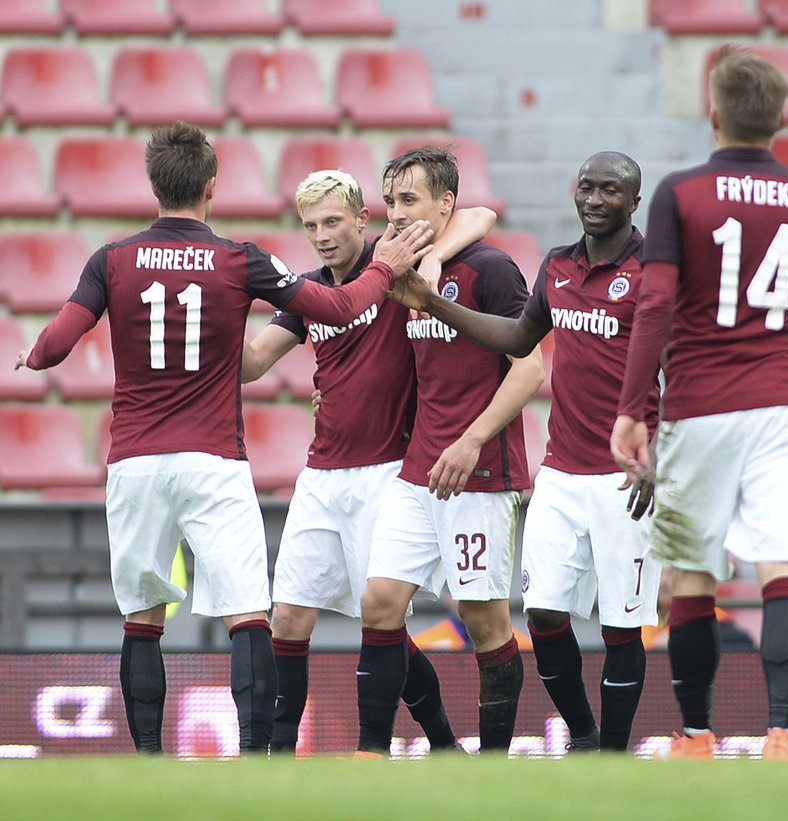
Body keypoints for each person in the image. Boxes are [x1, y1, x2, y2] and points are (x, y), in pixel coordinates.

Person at [14, 121, 433, 754]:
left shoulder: (112, 259)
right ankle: (259, 755)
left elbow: (57, 344)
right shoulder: (240, 258)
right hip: (213, 458)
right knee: (247, 613)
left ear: (154, 185)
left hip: (135, 461)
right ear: (212, 186)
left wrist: (33, 354)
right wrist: (385, 268)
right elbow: (338, 309)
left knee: (142, 618)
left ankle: (150, 760)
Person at [610, 46, 788, 761]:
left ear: (712, 112)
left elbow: (654, 301)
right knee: (784, 565)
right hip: (785, 402)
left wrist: (633, 405)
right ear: (781, 117)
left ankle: (696, 733)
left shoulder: (680, 194)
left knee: (692, 570)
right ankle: (783, 730)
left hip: (701, 404)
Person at [390, 151, 662, 753]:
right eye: (585, 187)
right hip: (560, 470)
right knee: (541, 613)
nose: (594, 199)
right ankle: (586, 735)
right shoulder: (559, 265)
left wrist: (661, 454)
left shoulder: (652, 275)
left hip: (625, 475)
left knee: (622, 625)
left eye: (609, 191)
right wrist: (433, 303)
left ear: (634, 202)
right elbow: (517, 338)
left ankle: (612, 754)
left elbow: (686, 371)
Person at [240, 168, 497, 754]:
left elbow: (479, 217)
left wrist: (428, 262)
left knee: (382, 625)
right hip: (321, 472)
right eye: (311, 226)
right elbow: (254, 364)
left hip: (386, 469)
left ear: (363, 219)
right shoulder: (308, 291)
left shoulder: (392, 263)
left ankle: (441, 741)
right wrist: (205, 332)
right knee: (288, 621)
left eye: (334, 221)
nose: (323, 235)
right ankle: (279, 761)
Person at [355, 144, 545, 757]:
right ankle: (410, 750)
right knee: (380, 604)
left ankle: (489, 769)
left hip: (478, 471)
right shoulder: (398, 270)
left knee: (484, 618)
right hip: (420, 468)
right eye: (390, 202)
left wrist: (472, 439)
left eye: (409, 200)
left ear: (446, 202)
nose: (396, 213)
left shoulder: (491, 271)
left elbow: (529, 367)